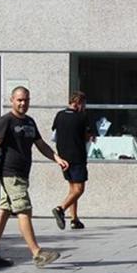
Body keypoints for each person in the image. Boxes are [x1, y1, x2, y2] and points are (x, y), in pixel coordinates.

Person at [0, 86, 68, 268]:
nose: (23, 103)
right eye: (19, 100)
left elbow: (41, 144)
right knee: (24, 210)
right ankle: (37, 253)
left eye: (26, 100)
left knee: (3, 211)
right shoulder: (5, 121)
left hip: (21, 174)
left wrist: (56, 158)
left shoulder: (29, 122)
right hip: (9, 173)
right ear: (12, 100)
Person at [51, 91, 91, 230]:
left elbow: (54, 135)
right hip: (77, 156)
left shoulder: (59, 115)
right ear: (78, 103)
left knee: (72, 189)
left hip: (63, 158)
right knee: (79, 189)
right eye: (83, 104)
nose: (84, 107)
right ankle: (60, 209)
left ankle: (74, 219)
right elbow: (86, 136)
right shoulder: (82, 117)